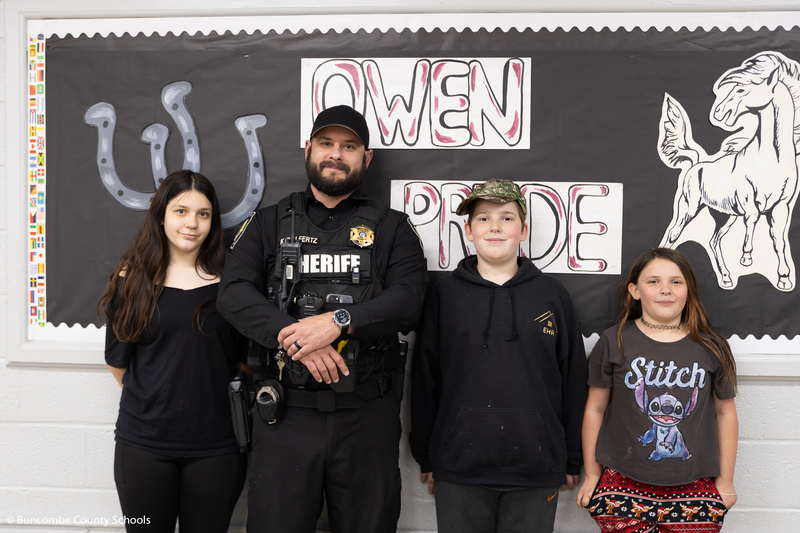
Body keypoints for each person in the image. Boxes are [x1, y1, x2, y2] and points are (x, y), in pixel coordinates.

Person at [217, 105, 428, 533]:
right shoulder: (268, 223)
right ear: (308, 149)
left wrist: (338, 321)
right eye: (327, 144)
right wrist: (295, 336)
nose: (336, 154)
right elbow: (233, 294)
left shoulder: (393, 230)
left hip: (365, 417)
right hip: (286, 417)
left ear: (365, 158)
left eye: (349, 146)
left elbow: (409, 300)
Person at [409, 178, 588, 533]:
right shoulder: (444, 294)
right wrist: (427, 455)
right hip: (459, 464)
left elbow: (573, 380)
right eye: (483, 218)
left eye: (506, 218)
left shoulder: (552, 294)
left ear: (523, 230)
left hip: (536, 465)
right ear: (469, 231)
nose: (494, 226)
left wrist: (571, 456)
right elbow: (424, 377)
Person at [98, 170, 247, 533]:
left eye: (203, 213)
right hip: (144, 446)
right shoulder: (130, 280)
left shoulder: (234, 283)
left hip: (218, 447)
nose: (192, 223)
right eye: (181, 211)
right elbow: (119, 364)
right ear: (161, 214)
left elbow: (245, 363)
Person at [576, 247, 738, 533]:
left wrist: (725, 481)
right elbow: (595, 408)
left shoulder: (712, 347)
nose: (666, 290)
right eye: (653, 281)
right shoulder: (614, 341)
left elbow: (725, 413)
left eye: (676, 282)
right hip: (622, 480)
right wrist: (592, 473)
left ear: (689, 290)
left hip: (694, 483)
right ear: (635, 291)